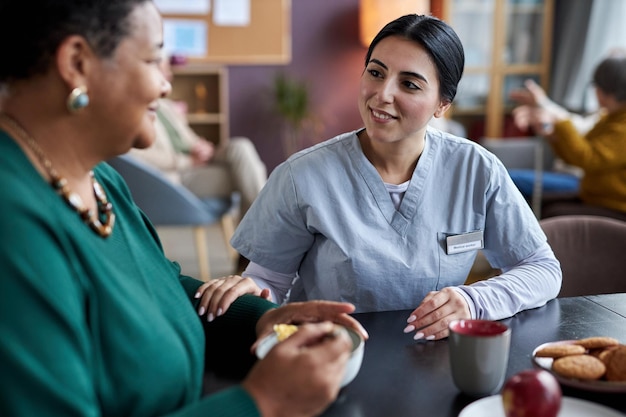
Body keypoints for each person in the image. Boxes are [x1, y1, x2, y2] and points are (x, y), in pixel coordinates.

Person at [0, 1, 368, 416]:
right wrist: (262, 402)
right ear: (77, 63)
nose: (166, 83)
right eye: (154, 58)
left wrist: (262, 321)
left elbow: (157, 287)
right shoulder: (14, 224)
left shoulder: (100, 179)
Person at [196, 14, 562, 341]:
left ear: (442, 104)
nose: (382, 94)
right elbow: (270, 283)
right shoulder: (301, 176)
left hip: (433, 359)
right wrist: (247, 290)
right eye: (376, 72)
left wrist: (474, 299)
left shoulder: (476, 170)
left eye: (410, 84)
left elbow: (542, 269)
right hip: (333, 356)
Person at [129, 57, 267, 223]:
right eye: (166, 71)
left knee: (241, 147)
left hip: (197, 160)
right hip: (179, 175)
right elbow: (137, 156)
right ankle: (260, 230)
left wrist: (202, 147)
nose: (170, 76)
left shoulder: (166, 107)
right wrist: (187, 161)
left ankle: (256, 234)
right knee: (247, 174)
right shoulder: (135, 111)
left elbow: (189, 139)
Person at [511, 55, 626, 219]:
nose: (597, 94)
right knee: (543, 205)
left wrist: (560, 122)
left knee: (552, 212)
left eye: (599, 89)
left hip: (615, 206)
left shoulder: (621, 125)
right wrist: (553, 136)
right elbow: (577, 154)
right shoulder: (609, 118)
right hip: (594, 196)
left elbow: (588, 158)